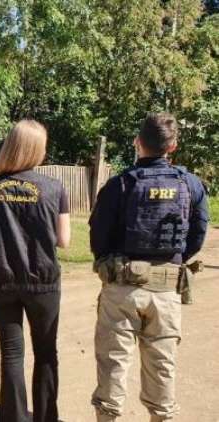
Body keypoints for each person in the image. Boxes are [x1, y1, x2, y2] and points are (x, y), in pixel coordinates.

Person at [89, 112, 209, 422]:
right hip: (166, 291)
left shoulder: (119, 184)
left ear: (137, 142)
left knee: (113, 365)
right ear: (173, 146)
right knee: (162, 369)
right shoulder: (191, 185)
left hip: (121, 290)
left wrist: (111, 262)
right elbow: (197, 235)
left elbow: (98, 237)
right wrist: (173, 259)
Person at [0, 120, 71, 422]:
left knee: (11, 353)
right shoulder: (55, 188)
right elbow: (64, 240)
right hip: (42, 281)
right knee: (46, 352)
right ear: (38, 149)